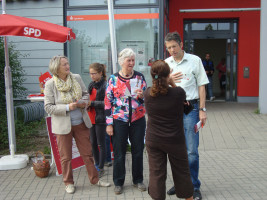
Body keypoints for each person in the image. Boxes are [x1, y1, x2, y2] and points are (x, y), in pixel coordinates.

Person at [44, 55, 110, 194]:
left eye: (68, 63)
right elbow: (48, 107)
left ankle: (95, 179)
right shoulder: (51, 84)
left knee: (88, 153)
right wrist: (68, 107)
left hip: (80, 122)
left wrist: (83, 102)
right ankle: (68, 183)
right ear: (56, 68)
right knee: (66, 157)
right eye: (64, 64)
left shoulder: (76, 78)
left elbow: (86, 94)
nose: (68, 66)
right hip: (63, 126)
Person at [164, 32, 209, 200]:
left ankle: (193, 185)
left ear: (181, 44)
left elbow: (202, 86)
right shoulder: (166, 64)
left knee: (191, 151)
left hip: (191, 109)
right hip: (172, 111)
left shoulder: (194, 60)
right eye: (168, 48)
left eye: (174, 46)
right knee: (176, 150)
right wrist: (168, 79)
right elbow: (159, 86)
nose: (172, 50)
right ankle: (180, 183)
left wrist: (202, 109)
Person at [144, 60, 194, 200]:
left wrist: (166, 80)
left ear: (152, 75)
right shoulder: (178, 92)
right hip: (175, 140)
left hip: (154, 140)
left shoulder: (147, 93)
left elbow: (158, 90)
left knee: (156, 173)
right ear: (168, 74)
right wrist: (171, 82)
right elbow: (185, 106)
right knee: (181, 172)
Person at [105, 48, 147, 195]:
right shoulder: (113, 79)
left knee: (138, 150)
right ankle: (118, 182)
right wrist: (109, 123)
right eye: (129, 60)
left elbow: (146, 97)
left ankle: (138, 180)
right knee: (119, 152)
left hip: (138, 119)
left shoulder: (140, 77)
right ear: (121, 61)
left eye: (133, 60)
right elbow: (107, 102)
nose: (131, 63)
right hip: (119, 120)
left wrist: (142, 96)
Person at [87, 63, 108, 177]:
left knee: (101, 143)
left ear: (100, 73)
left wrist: (92, 103)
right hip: (91, 116)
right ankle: (96, 164)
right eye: (90, 73)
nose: (92, 76)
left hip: (100, 118)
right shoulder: (91, 84)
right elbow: (88, 98)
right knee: (93, 142)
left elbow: (107, 103)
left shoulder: (105, 85)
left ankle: (101, 167)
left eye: (94, 73)